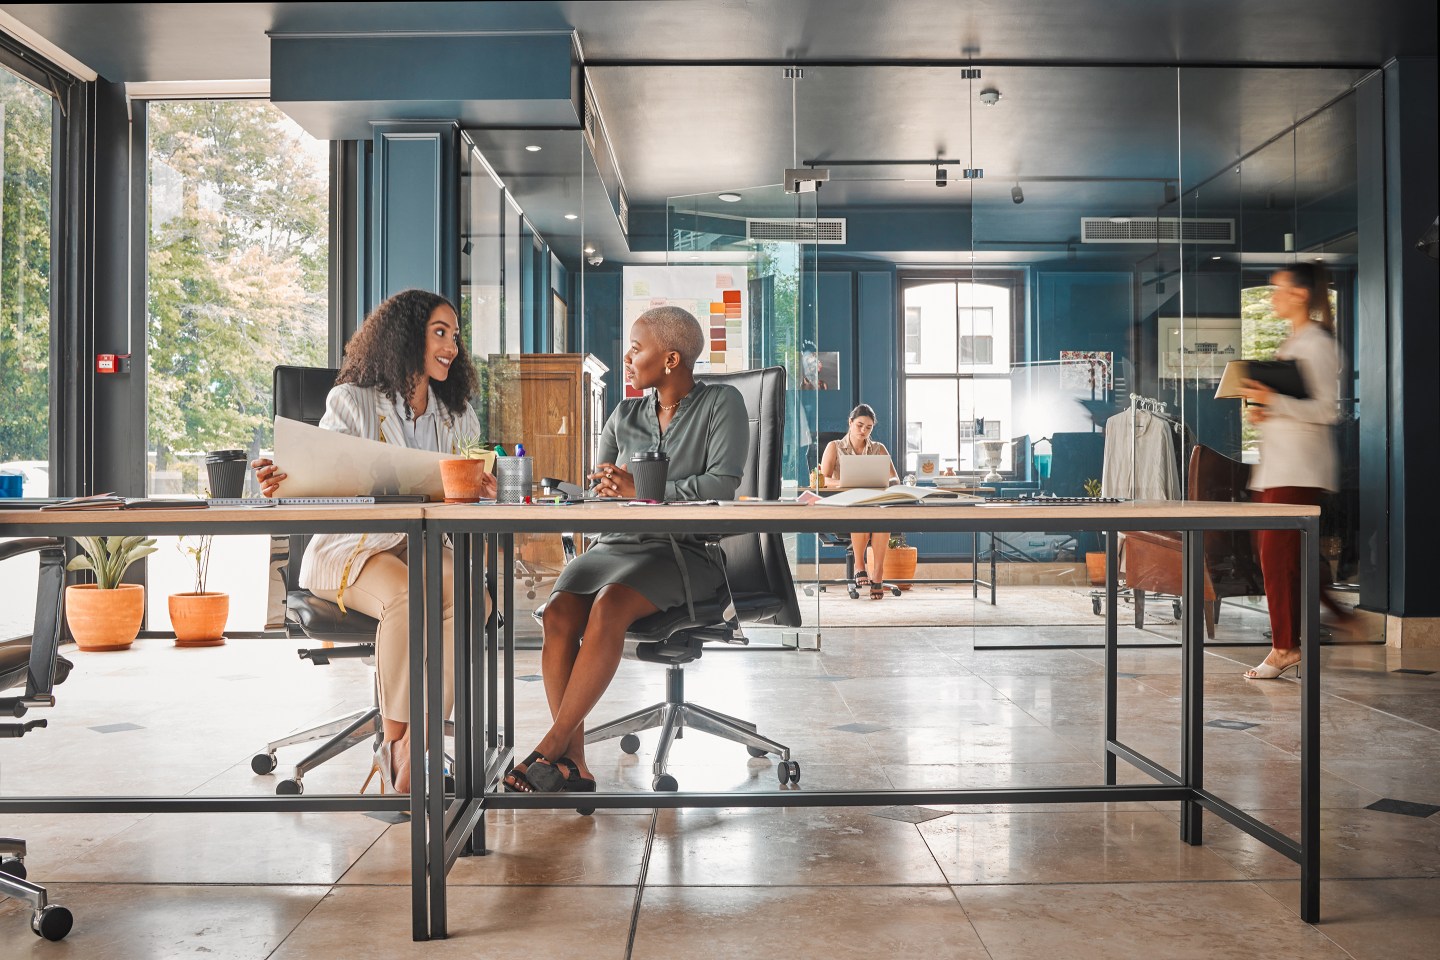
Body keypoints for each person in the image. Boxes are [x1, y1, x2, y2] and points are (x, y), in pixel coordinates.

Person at [251, 288, 493, 791]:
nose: (452, 346)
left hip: (418, 543)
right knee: (409, 596)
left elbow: (462, 488)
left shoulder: (458, 414)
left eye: (455, 335)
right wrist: (283, 477)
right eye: (440, 333)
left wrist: (482, 489)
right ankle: (403, 747)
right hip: (353, 546)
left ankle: (417, 741)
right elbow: (319, 475)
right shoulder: (352, 401)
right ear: (408, 337)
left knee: (474, 597)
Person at [504, 305, 749, 793]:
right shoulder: (624, 413)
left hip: (683, 551)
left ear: (672, 358)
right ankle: (574, 761)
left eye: (637, 348)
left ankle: (550, 747)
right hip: (615, 543)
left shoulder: (723, 403)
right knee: (557, 614)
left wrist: (643, 488)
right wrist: (602, 492)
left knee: (611, 604)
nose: (628, 356)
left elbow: (722, 483)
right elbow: (603, 492)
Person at [1235, 262, 1353, 679]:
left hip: (1298, 469)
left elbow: (1325, 409)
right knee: (1283, 555)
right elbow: (1293, 405)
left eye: (1279, 289)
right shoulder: (1296, 341)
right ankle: (1340, 618)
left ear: (1300, 294)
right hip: (1281, 466)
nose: (1273, 297)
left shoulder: (1317, 343)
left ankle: (1286, 648)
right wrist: (1266, 411)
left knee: (1277, 556)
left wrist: (1274, 402)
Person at [818, 403, 900, 600]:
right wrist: (844, 483)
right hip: (845, 507)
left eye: (869, 427)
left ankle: (877, 574)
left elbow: (895, 479)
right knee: (861, 511)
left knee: (879, 514)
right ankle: (859, 565)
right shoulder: (834, 447)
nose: (864, 430)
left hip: (873, 504)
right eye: (860, 425)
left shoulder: (879, 449)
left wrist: (882, 482)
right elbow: (822, 480)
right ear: (850, 422)